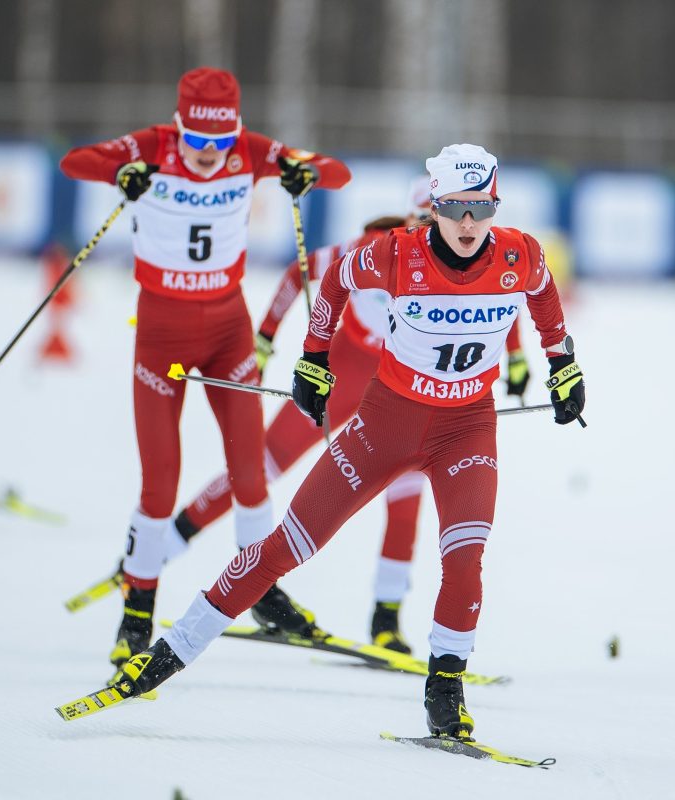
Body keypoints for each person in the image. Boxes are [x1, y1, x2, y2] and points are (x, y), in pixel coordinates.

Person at [104, 143, 586, 740]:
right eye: (455, 207)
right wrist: (312, 358)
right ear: (433, 205)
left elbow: (540, 293)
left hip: (466, 428)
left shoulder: (520, 252)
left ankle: (445, 689)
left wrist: (563, 363)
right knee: (288, 546)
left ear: (496, 204)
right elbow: (332, 280)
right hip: (385, 423)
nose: (468, 223)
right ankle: (173, 649)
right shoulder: (394, 252)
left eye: (480, 206)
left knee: (465, 556)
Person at [163, 177, 531, 654]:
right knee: (259, 466)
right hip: (344, 378)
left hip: (405, 399)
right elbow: (303, 273)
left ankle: (385, 621)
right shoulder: (380, 249)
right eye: (425, 218)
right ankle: (167, 541)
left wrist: (518, 357)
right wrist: (269, 337)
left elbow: (500, 299)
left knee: (405, 501)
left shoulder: (472, 261)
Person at [59, 67, 351, 667]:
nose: (209, 155)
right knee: (160, 481)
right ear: (181, 126)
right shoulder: (154, 145)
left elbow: (335, 171)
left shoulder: (249, 150)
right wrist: (123, 171)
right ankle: (137, 612)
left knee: (250, 471)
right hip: (161, 338)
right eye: (198, 142)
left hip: (227, 332)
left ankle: (261, 590)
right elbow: (74, 161)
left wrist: (305, 171)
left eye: (219, 144)